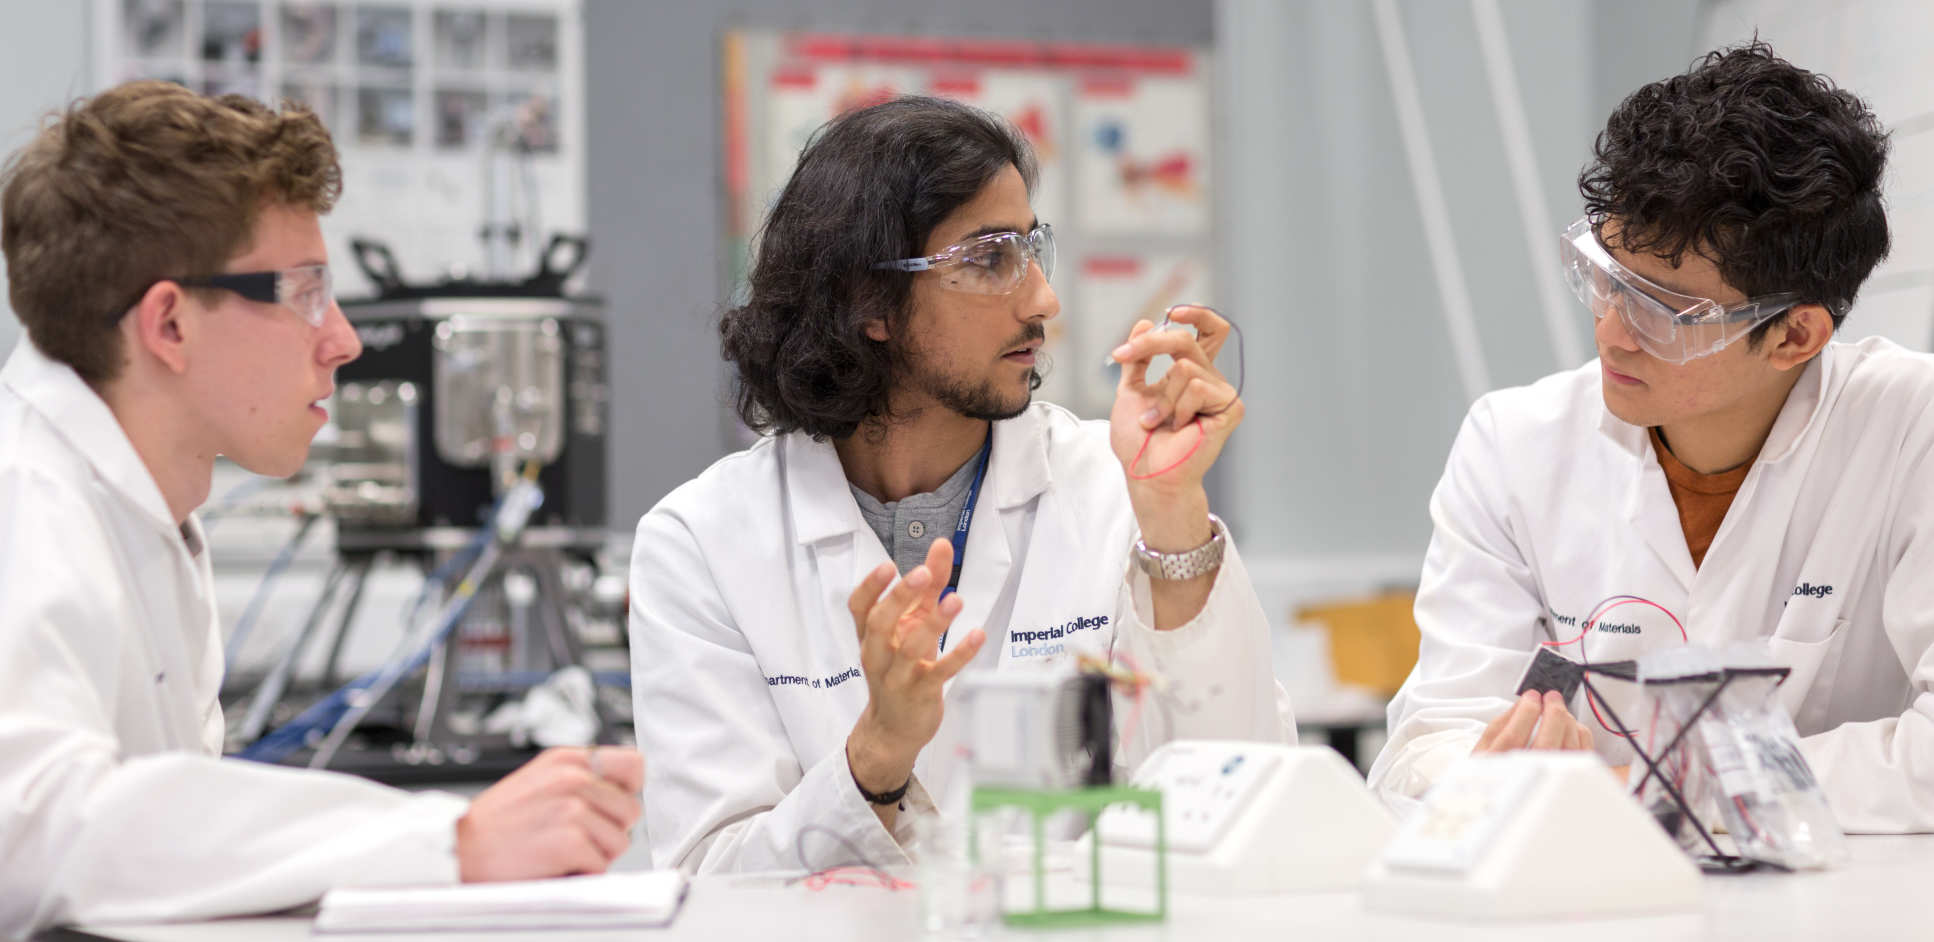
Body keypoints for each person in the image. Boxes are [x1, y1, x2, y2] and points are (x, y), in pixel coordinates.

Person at [0, 81, 644, 935]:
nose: (343, 339)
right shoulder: (26, 508)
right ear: (169, 324)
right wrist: (454, 841)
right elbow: (34, 832)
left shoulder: (138, 510)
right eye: (304, 291)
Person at [629, 96, 1293, 873]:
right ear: (868, 302)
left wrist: (1173, 512)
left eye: (1031, 249)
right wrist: (877, 756)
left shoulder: (1117, 490)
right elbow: (710, 882)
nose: (1043, 299)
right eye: (989, 259)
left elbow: (1248, 797)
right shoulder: (702, 542)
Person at [1368, 42, 1934, 831]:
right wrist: (1487, 776)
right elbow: (1426, 738)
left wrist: (1652, 787)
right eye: (1604, 275)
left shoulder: (1912, 430)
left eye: (1664, 310)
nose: (1611, 331)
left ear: (1795, 336)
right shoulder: (1516, 444)